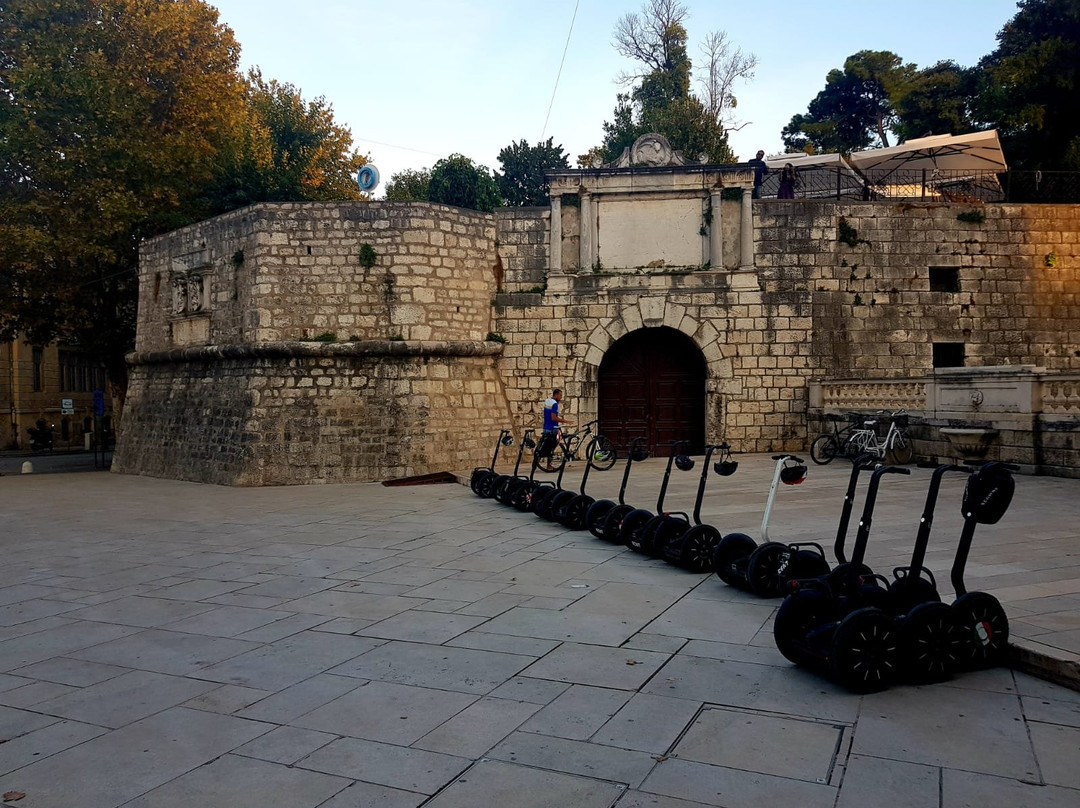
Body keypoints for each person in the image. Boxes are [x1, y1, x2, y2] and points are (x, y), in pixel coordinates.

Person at [537, 388, 573, 471]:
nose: (561, 397)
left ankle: (536, 461)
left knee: (544, 446)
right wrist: (566, 421)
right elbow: (553, 418)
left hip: (546, 427)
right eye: (560, 395)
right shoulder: (554, 404)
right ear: (556, 395)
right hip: (552, 428)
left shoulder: (547, 401)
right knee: (551, 447)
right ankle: (549, 466)